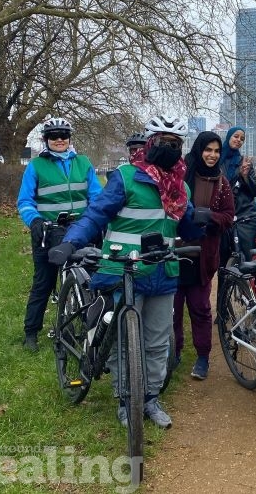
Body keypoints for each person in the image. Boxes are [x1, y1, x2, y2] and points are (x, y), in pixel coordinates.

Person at [48, 115, 204, 429]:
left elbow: (184, 226)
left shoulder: (180, 185)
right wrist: (70, 242)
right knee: (122, 340)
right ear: (149, 143)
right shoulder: (126, 176)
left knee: (158, 342)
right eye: (163, 142)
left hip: (162, 271)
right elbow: (96, 214)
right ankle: (124, 399)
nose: (169, 149)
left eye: (175, 144)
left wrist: (199, 219)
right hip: (124, 268)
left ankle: (150, 398)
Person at [17, 117, 102, 351]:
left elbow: (96, 196)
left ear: (69, 138)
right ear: (46, 139)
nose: (59, 140)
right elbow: (25, 200)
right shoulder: (36, 166)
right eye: (54, 136)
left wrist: (95, 220)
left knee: (89, 279)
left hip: (81, 230)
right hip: (48, 231)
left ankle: (90, 325)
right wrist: (34, 221)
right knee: (43, 282)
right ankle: (31, 332)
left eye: (63, 135)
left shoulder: (83, 163)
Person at [174, 131, 234, 380]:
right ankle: (174, 353)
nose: (212, 155)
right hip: (175, 252)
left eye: (216, 151)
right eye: (208, 150)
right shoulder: (180, 175)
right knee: (173, 310)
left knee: (200, 309)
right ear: (199, 150)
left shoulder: (222, 182)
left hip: (203, 254)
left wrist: (208, 216)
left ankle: (202, 357)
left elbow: (229, 215)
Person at [219, 126, 256, 263]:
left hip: (244, 214)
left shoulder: (244, 163)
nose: (239, 140)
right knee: (222, 257)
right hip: (224, 214)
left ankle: (245, 284)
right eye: (236, 136)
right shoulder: (217, 160)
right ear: (229, 136)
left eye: (242, 139)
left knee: (246, 259)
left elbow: (255, 191)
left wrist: (244, 176)